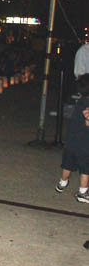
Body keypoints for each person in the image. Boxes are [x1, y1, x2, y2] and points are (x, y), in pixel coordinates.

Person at [55, 74, 89, 203]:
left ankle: (62, 183)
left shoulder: (80, 102)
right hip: (84, 145)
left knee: (68, 165)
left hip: (71, 142)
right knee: (86, 169)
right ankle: (82, 192)